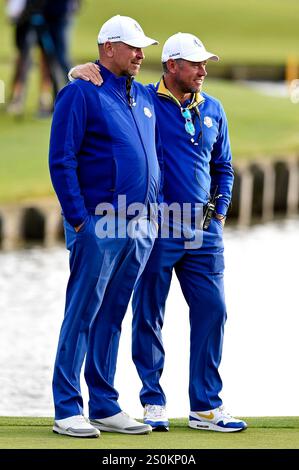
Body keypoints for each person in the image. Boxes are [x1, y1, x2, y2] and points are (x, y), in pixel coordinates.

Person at [70, 32, 247, 433]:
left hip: (203, 233)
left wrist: (219, 214)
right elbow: (105, 85)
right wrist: (76, 70)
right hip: (157, 228)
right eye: (195, 63)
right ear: (171, 66)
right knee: (149, 315)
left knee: (213, 310)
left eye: (205, 64)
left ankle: (205, 406)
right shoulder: (145, 100)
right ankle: (153, 400)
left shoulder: (214, 109)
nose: (203, 70)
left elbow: (224, 166)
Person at [48, 15, 160, 438]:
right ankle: (66, 408)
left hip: (140, 225)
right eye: (132, 47)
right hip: (98, 223)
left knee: (112, 315)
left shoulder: (144, 97)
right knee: (81, 313)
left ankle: (106, 404)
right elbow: (62, 160)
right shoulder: (81, 92)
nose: (140, 54)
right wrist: (79, 220)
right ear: (108, 47)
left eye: (142, 47)